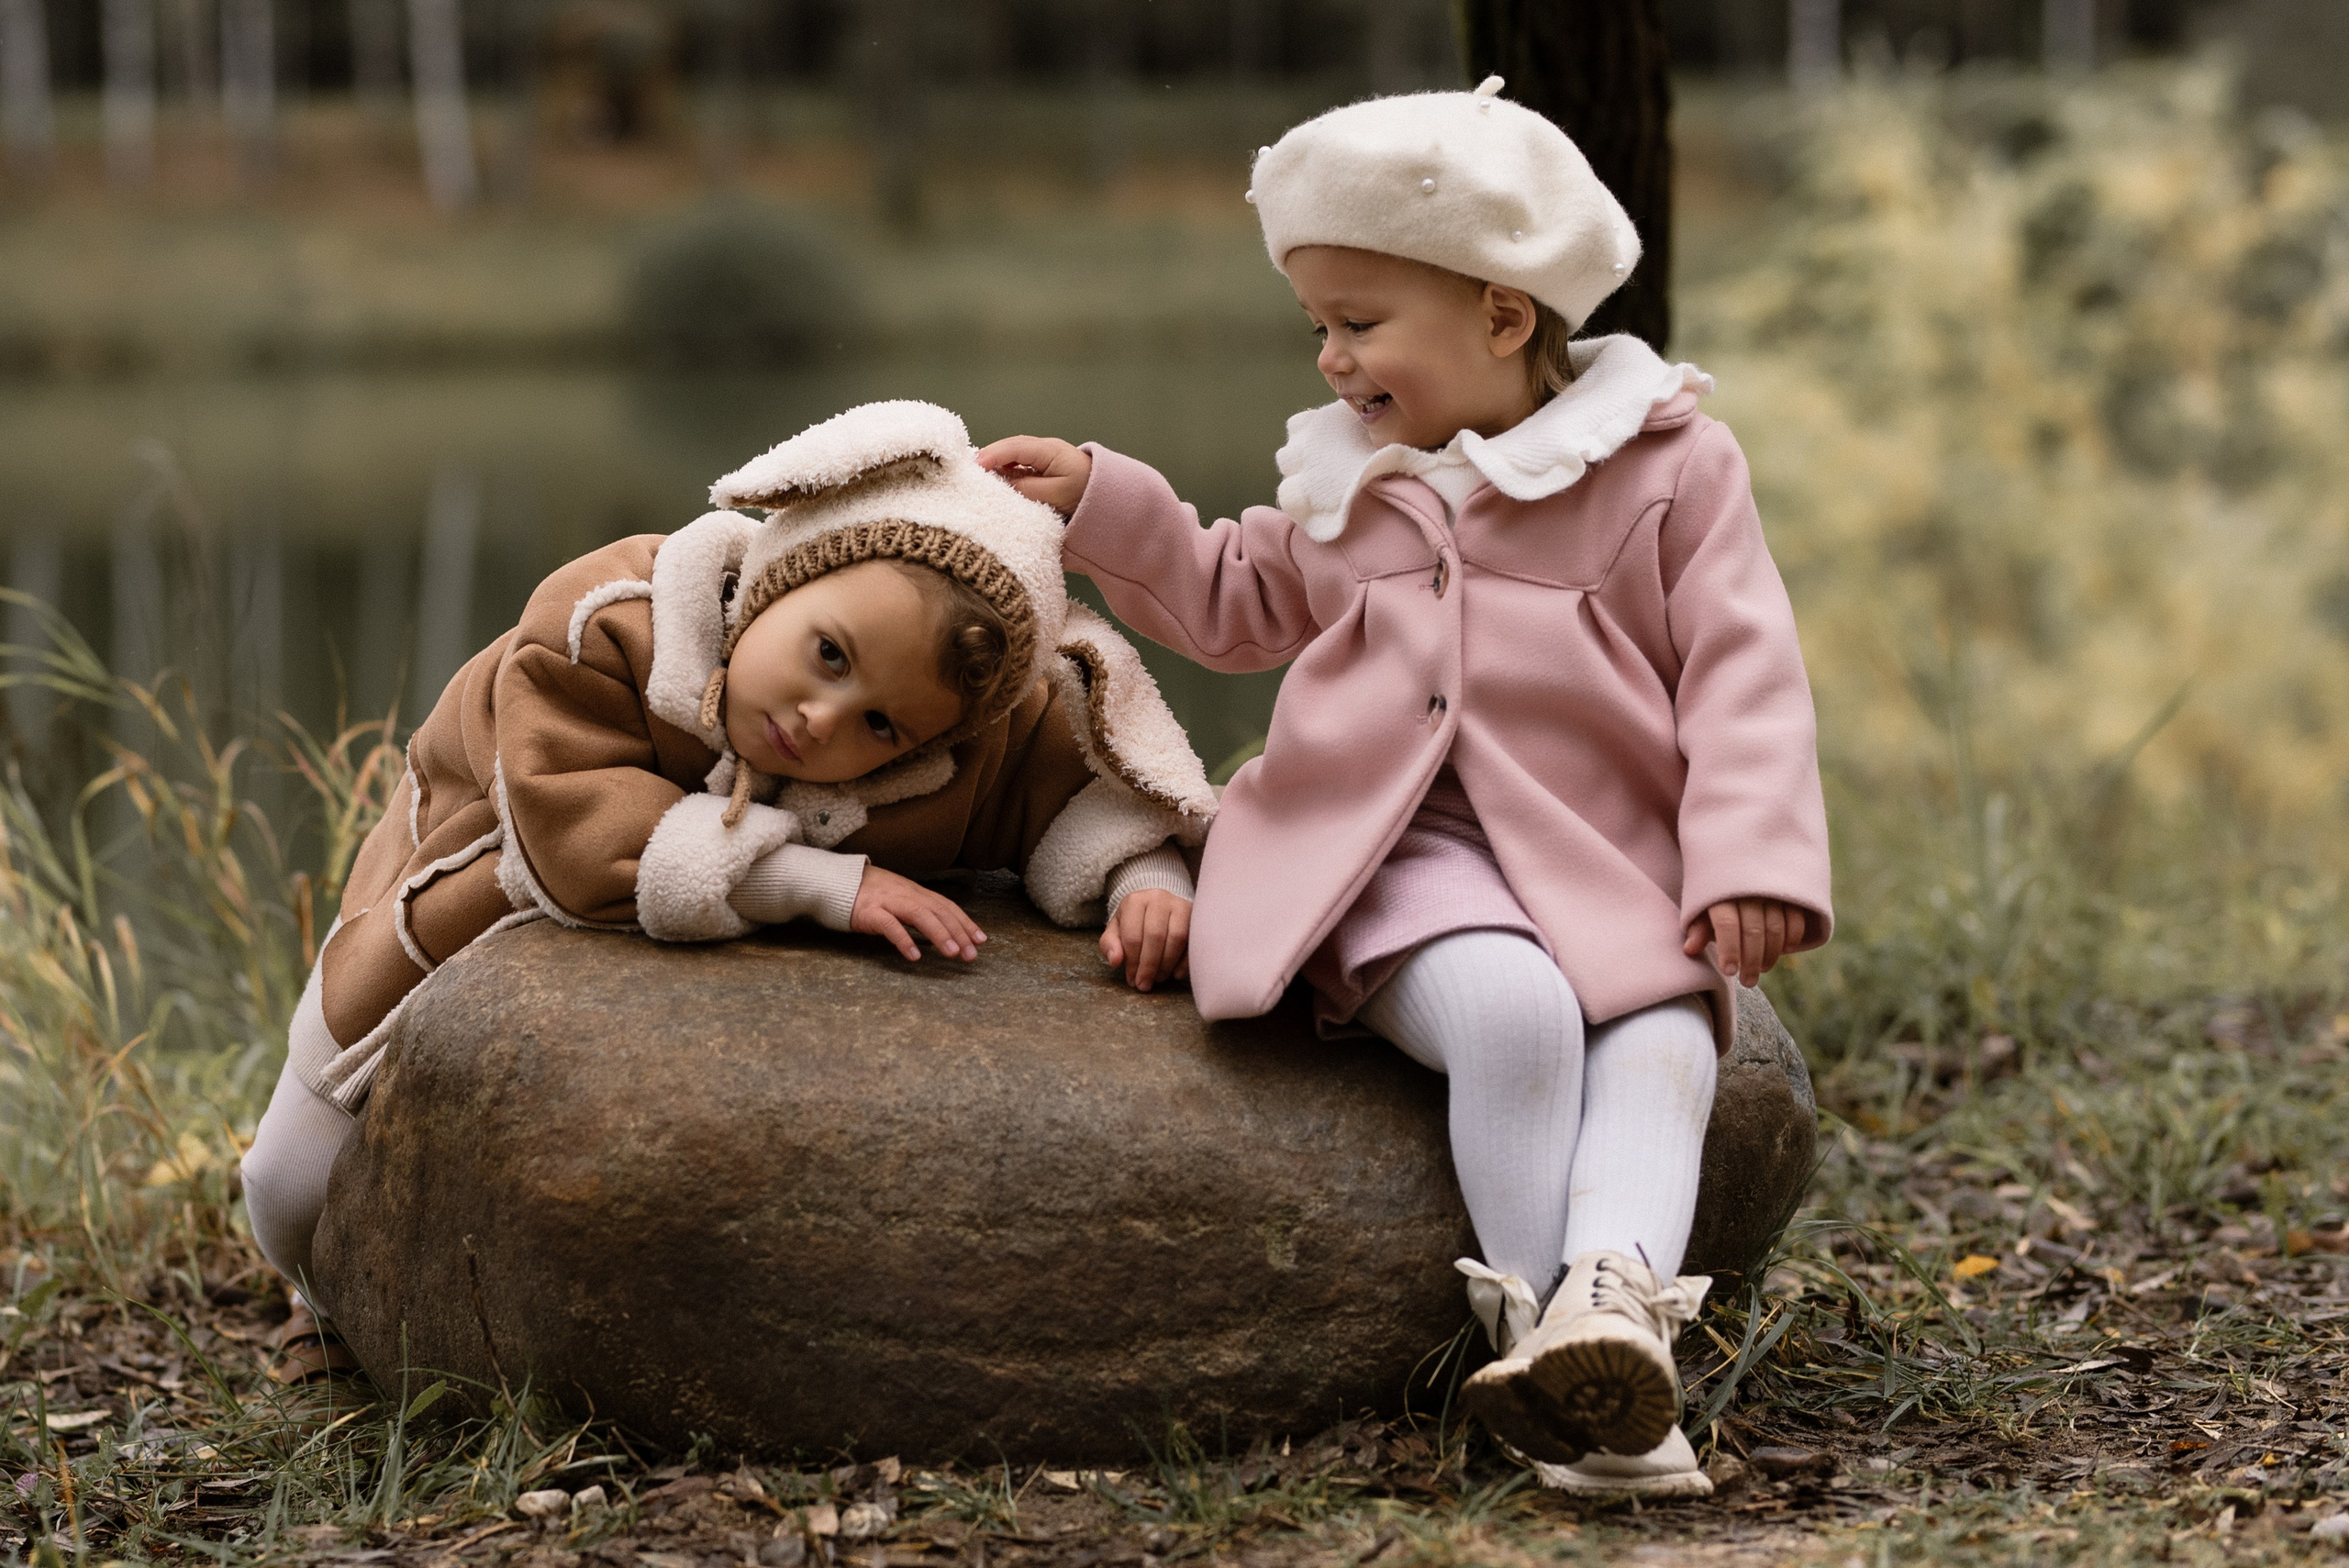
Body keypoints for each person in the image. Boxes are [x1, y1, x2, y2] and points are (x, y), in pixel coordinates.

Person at [979, 79, 1831, 1497]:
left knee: (1670, 1046)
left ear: (1503, 314)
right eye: (1316, 324)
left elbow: (1742, 673)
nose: (1328, 360)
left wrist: (1748, 856)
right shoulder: (1355, 480)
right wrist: (1098, 499)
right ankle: (1537, 1319)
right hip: (1387, 858)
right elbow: (1232, 598)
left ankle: (1613, 1320)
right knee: (1515, 1015)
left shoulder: (1669, 464)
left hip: (1605, 860)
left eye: (1359, 323)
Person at [242, 400, 1215, 1379]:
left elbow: (1072, 775)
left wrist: (1145, 874)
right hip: (481, 852)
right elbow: (566, 823)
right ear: (786, 569)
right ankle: (317, 1299)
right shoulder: (613, 619)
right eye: (827, 653)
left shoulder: (960, 745)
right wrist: (815, 880)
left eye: (881, 726)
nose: (820, 717)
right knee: (286, 1176)